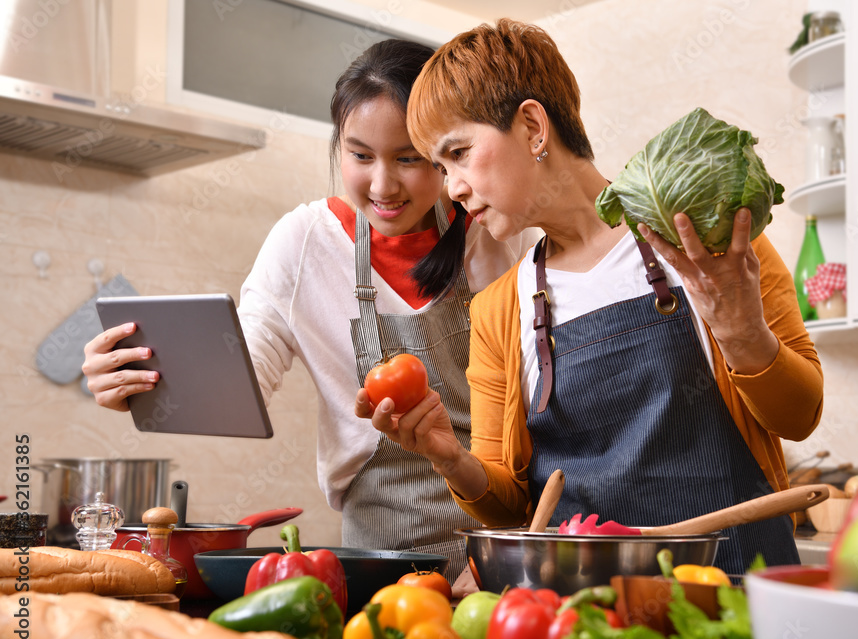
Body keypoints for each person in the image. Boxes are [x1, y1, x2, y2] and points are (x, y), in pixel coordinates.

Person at [359, 19, 824, 575]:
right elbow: (510, 507)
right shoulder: (498, 310)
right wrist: (449, 457)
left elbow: (801, 415)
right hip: (583, 612)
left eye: (459, 152)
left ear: (533, 125)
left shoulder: (700, 234)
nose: (453, 188)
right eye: (440, 167)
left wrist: (744, 335)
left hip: (730, 593)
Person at [81, 39, 538, 583]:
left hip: (507, 546)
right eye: (360, 155)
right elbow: (241, 377)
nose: (383, 185)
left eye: (409, 158)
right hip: (379, 561)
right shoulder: (304, 243)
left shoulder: (494, 231)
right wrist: (143, 381)